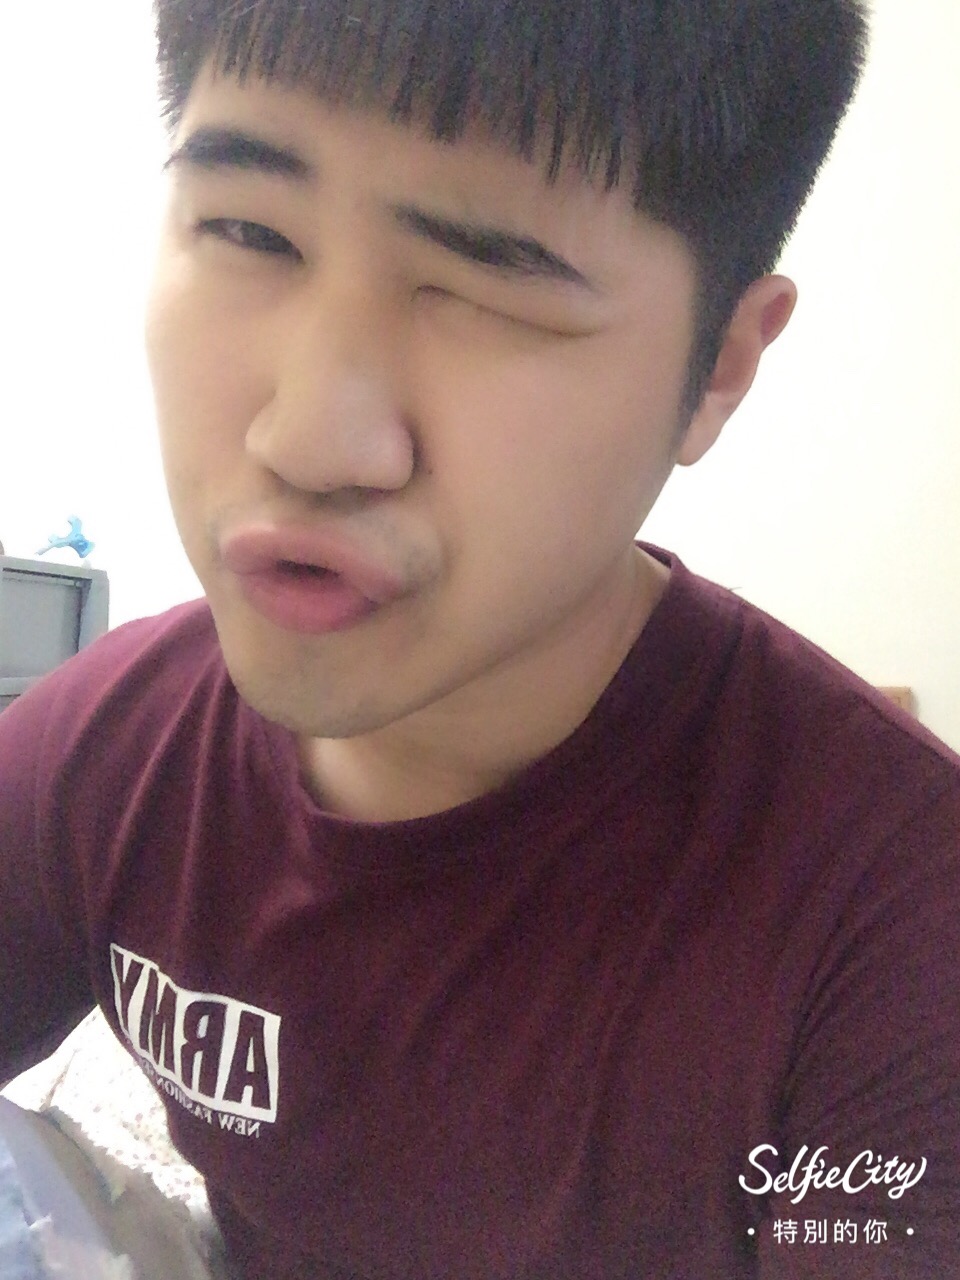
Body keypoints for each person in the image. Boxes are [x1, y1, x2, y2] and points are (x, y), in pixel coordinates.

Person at [2, 1, 958, 1276]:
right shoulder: (109, 749)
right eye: (248, 231)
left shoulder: (894, 927)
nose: (310, 439)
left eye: (490, 291)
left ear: (721, 366)